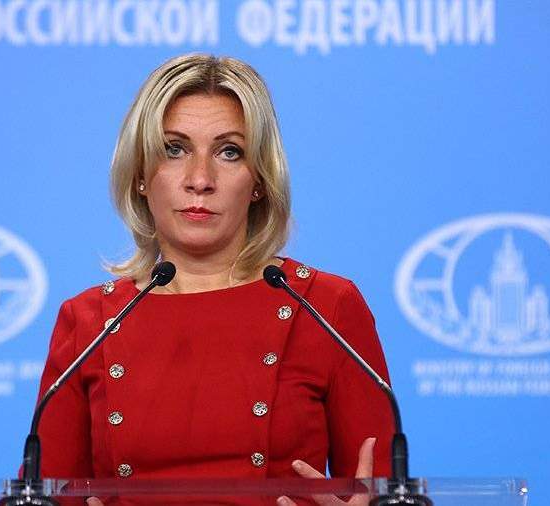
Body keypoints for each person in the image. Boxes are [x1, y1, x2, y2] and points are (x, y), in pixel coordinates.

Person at [33, 54, 394, 506]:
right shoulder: (89, 321)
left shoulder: (326, 306)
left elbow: (386, 491)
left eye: (229, 152)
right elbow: (41, 495)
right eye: (174, 149)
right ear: (140, 175)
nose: (200, 179)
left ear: (259, 179)